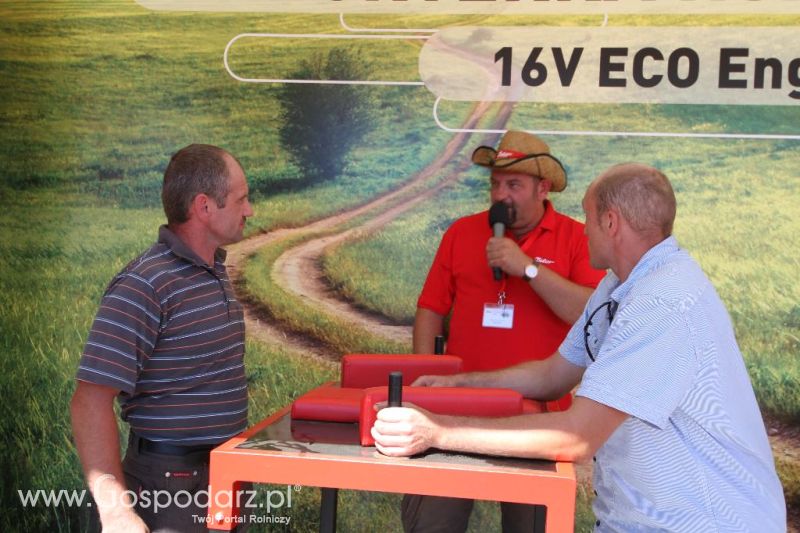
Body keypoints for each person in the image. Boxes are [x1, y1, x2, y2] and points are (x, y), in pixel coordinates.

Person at [373, 163, 787, 532]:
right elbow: (553, 375)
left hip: (701, 522)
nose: (581, 228)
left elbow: (575, 437)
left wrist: (438, 431)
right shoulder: (620, 284)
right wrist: (460, 385)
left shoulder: (662, 302)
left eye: (587, 217)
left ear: (611, 223)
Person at [407, 131, 605, 532]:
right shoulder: (461, 233)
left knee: (530, 525)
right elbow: (430, 310)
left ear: (543, 188)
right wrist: (425, 380)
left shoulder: (574, 238)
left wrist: (528, 268)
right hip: (456, 407)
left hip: (536, 415)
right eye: (495, 184)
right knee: (432, 523)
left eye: (513, 185)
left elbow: (590, 314)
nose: (501, 195)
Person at [70, 144, 254, 532]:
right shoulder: (144, 285)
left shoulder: (213, 269)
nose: (250, 210)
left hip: (224, 476)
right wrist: (117, 511)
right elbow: (89, 402)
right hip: (170, 488)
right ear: (204, 207)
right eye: (241, 199)